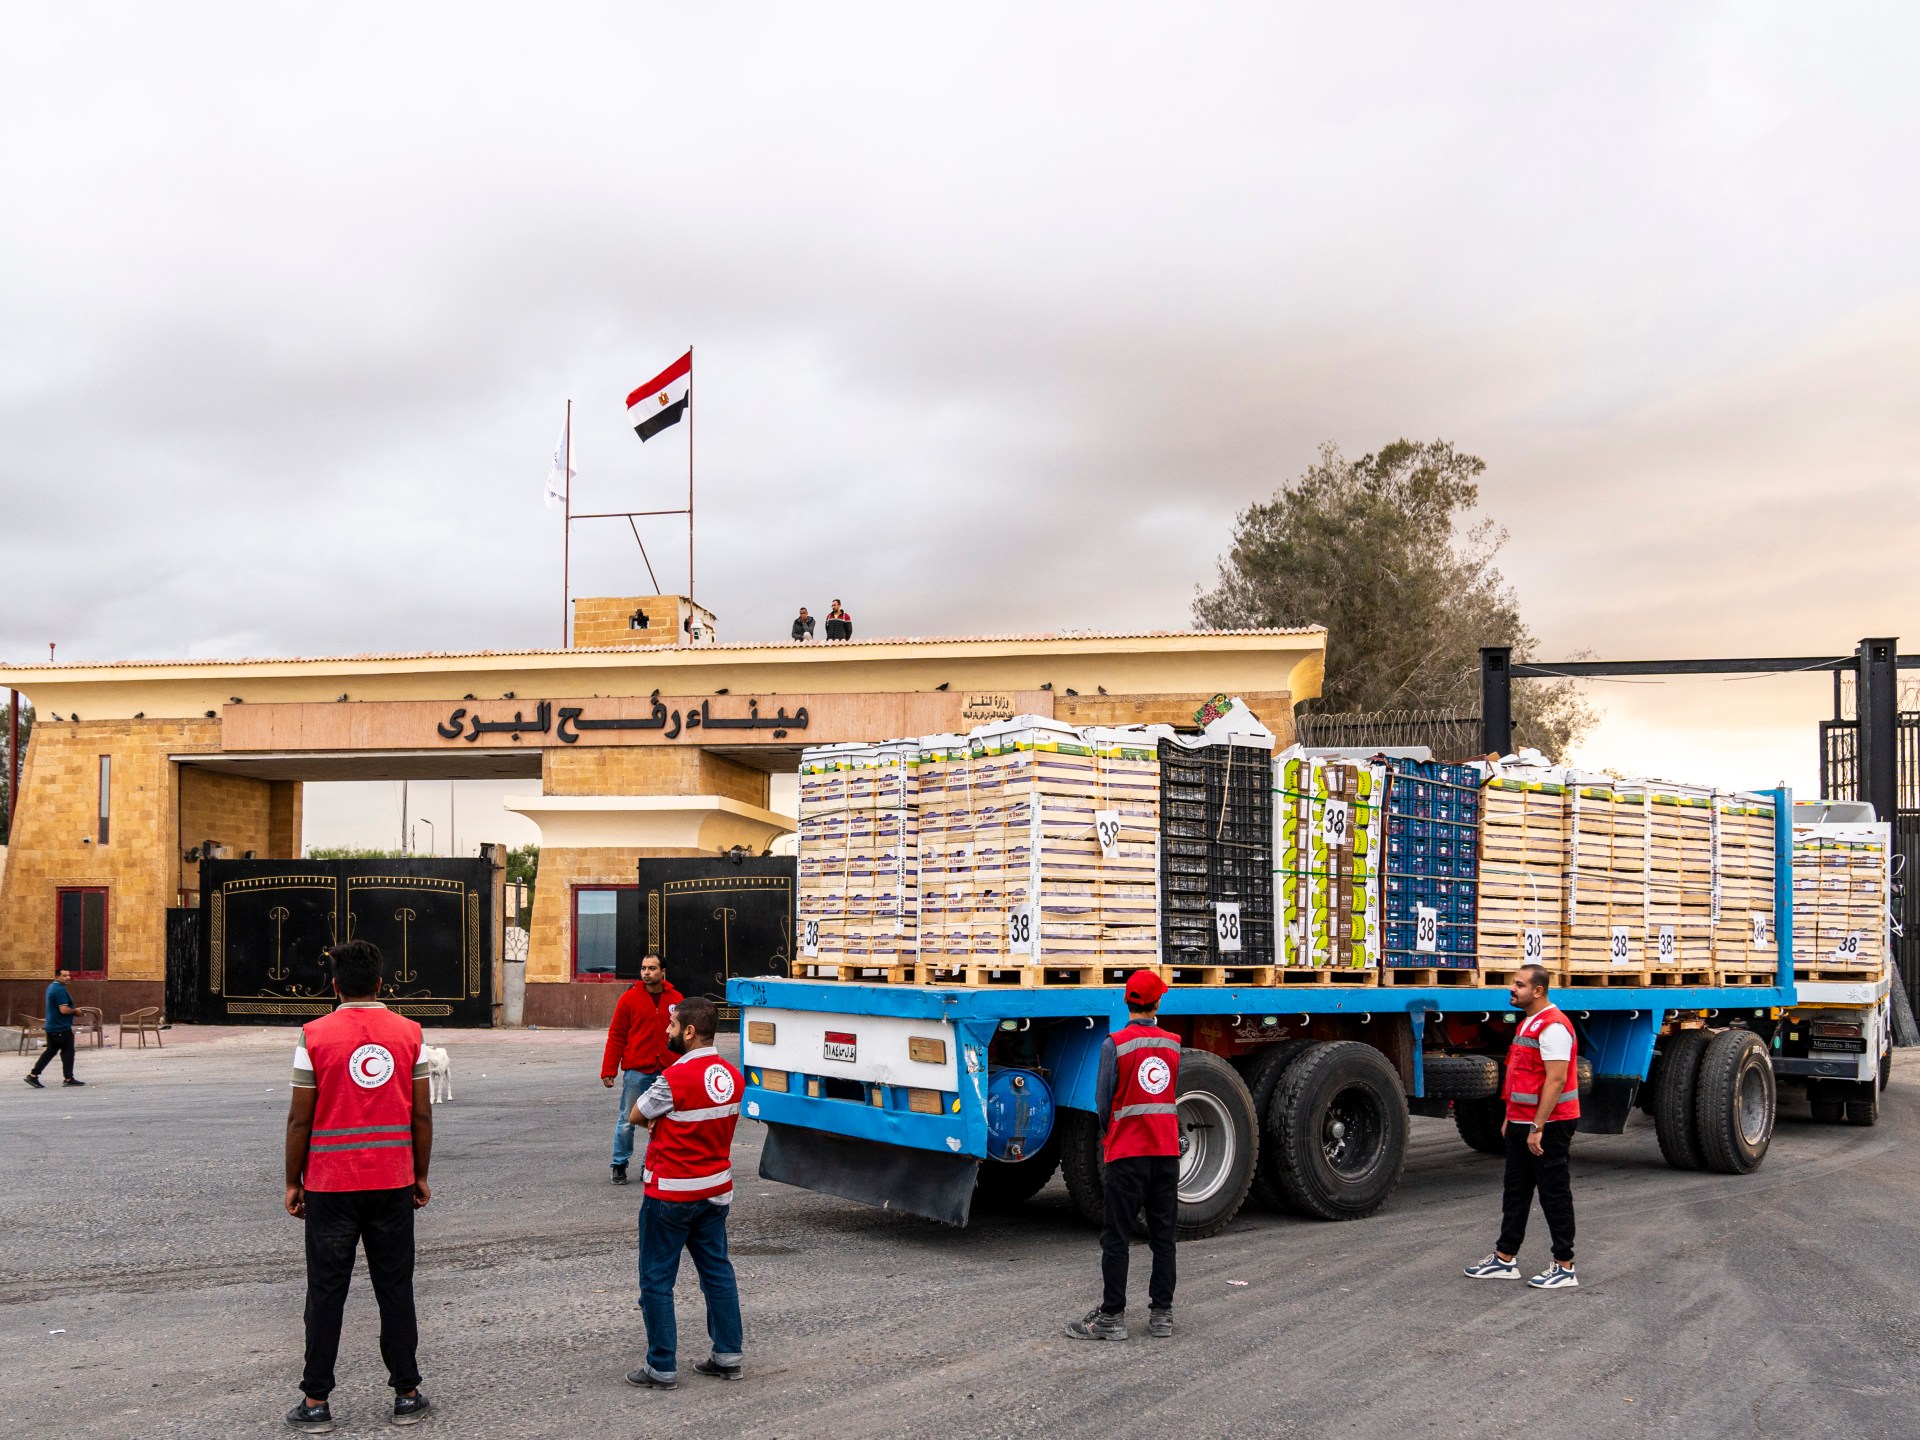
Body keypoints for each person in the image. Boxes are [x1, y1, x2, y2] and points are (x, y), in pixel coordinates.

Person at [283, 939, 434, 1432]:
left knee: (326, 1292)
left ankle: (316, 1402)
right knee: (395, 1287)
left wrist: (293, 1179)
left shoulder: (314, 1035)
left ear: (335, 985)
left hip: (330, 1183)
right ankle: (407, 1393)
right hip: (392, 1180)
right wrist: (420, 1174)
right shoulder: (410, 1033)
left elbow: (299, 1120)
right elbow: (422, 1113)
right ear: (380, 983)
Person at [626, 995, 745, 1390]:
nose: (667, 1030)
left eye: (673, 1025)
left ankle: (661, 1366)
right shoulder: (732, 1076)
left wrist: (662, 1125)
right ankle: (727, 1356)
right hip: (715, 1192)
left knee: (657, 1280)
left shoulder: (674, 1078)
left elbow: (636, 1114)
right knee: (717, 1273)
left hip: (671, 1195)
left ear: (690, 1031)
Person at [1068, 969, 1179, 1341]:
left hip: (1127, 1153)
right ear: (1157, 1003)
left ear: (1126, 1002)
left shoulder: (1113, 1045)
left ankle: (1111, 1318)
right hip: (1165, 1153)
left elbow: (1103, 1102)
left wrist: (1112, 1132)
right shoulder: (1174, 1045)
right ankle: (1161, 1315)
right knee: (1163, 1236)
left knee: (1116, 1237)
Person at [1464, 963, 1580, 1290]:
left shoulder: (1554, 1026)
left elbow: (1556, 1081)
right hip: (1521, 1122)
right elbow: (1521, 1076)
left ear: (1538, 990)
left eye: (1519, 984)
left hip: (1549, 1125)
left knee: (1554, 1193)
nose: (1512, 989)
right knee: (1515, 1191)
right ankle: (1504, 1259)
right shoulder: (1529, 1022)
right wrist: (1510, 1118)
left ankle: (1564, 1266)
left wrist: (1537, 1127)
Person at [602, 954, 684, 1185]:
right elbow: (616, 1035)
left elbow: (684, 1035)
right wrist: (609, 1069)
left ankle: (650, 1165)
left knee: (659, 1121)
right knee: (628, 1119)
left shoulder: (676, 999)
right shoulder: (629, 999)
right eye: (643, 968)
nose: (646, 973)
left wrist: (684, 1065)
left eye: (652, 968)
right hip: (637, 1070)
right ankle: (619, 1164)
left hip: (667, 1070)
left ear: (663, 971)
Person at [23, 968, 82, 1088]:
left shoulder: (52, 987)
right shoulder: (59, 990)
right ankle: (68, 1078)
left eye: (69, 975)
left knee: (50, 1051)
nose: (68, 978)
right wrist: (75, 1011)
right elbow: (64, 1010)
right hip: (60, 1027)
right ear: (57, 976)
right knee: (68, 1052)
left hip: (52, 1026)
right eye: (64, 976)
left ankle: (33, 1075)